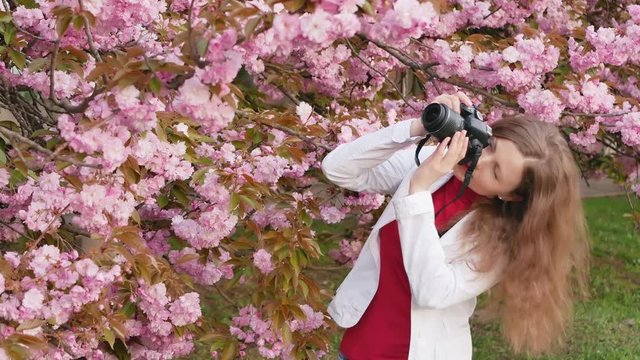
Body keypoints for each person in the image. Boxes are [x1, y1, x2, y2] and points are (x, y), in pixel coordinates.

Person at [321, 92, 590, 360]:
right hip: (359, 347)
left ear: (510, 195)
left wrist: (418, 191)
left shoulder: (502, 239)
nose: (480, 160)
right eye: (490, 145)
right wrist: (417, 127)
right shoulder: (436, 167)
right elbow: (338, 169)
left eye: (496, 172)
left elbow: (433, 292)